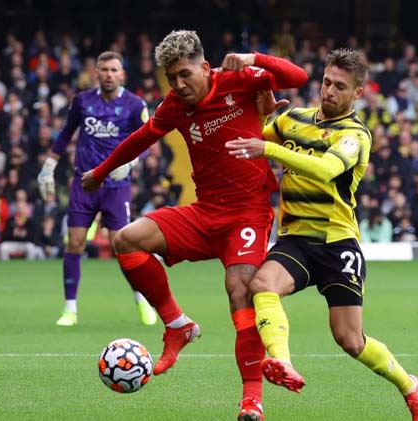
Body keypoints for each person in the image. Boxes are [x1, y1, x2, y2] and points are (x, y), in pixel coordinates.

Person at [81, 30, 307, 421]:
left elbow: (298, 77)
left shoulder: (239, 79)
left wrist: (254, 57)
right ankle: (177, 325)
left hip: (248, 214)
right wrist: (100, 174)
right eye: (172, 78)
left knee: (240, 289)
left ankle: (251, 400)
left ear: (205, 66)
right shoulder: (174, 105)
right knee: (127, 239)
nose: (179, 85)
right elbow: (140, 139)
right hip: (204, 213)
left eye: (185, 74)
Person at [226, 48, 418, 420]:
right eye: (326, 82)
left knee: (350, 340)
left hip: (338, 244)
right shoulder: (292, 120)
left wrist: (269, 148)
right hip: (295, 240)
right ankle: (282, 362)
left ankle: (410, 387)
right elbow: (249, 138)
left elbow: (324, 170)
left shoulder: (356, 135)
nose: (329, 92)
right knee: (262, 285)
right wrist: (260, 114)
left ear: (357, 93)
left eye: (340, 87)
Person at [37, 51, 157, 327]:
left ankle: (142, 300)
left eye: (114, 70)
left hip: (117, 185)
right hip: (84, 182)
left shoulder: (134, 104)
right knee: (75, 241)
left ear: (122, 74)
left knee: (123, 246)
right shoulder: (82, 101)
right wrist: (49, 165)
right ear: (96, 73)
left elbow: (148, 139)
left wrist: (132, 163)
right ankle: (70, 310)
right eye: (104, 70)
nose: (108, 75)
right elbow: (67, 132)